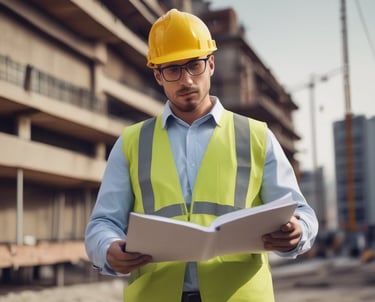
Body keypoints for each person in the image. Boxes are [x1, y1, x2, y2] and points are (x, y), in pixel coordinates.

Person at [85, 8, 318, 302]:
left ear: (211, 64)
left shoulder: (257, 137)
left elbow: (303, 213)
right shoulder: (131, 143)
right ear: (158, 75)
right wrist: (108, 248)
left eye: (194, 65)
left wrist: (298, 231)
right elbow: (102, 223)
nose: (186, 80)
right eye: (172, 69)